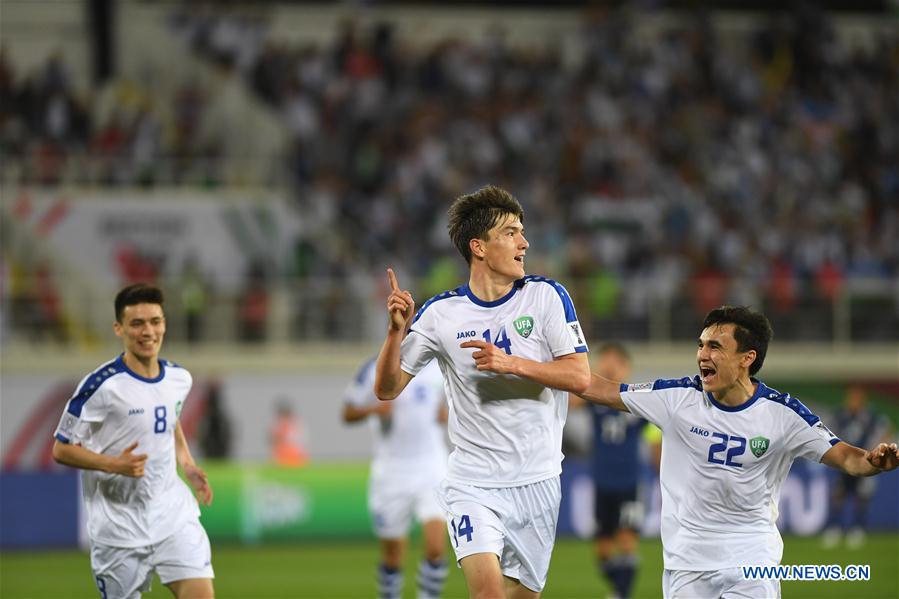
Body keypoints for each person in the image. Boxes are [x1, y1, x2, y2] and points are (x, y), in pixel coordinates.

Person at [549, 304, 898, 598]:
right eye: (701, 345)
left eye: (715, 346)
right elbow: (596, 388)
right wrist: (536, 363)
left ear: (747, 358)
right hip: (687, 565)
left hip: (752, 560)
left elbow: (845, 456)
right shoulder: (676, 398)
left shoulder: (783, 414)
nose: (703, 354)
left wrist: (873, 461)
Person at [374, 185, 591, 599]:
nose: (524, 243)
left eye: (522, 232)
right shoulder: (441, 314)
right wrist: (394, 333)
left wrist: (512, 363)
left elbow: (579, 376)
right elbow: (386, 388)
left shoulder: (546, 297)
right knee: (488, 594)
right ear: (479, 247)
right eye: (511, 233)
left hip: (539, 479)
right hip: (472, 482)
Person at [51, 283, 214, 599]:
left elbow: (170, 417)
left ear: (165, 324)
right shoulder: (101, 386)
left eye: (155, 321)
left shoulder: (179, 379)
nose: (148, 331)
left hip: (172, 515)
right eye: (137, 323)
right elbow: (61, 449)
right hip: (118, 528)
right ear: (119, 328)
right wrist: (114, 464)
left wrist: (187, 463)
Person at [343, 358, 450, 599]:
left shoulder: (437, 365)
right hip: (391, 472)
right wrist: (373, 410)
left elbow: (457, 400)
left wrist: (448, 414)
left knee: (435, 547)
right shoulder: (374, 368)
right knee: (392, 557)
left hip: (431, 468)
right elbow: (347, 412)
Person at [568, 342, 660, 599]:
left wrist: (659, 463)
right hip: (602, 482)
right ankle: (620, 589)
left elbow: (655, 433)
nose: (608, 367)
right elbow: (570, 401)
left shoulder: (639, 400)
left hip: (629, 483)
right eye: (604, 361)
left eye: (614, 362)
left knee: (627, 540)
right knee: (603, 550)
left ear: (626, 367)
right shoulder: (594, 398)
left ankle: (620, 594)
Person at [821, 383, 893, 549]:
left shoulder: (871, 416)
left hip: (865, 460)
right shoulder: (841, 415)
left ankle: (857, 528)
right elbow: (826, 430)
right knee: (839, 494)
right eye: (851, 397)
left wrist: (877, 449)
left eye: (857, 397)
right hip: (844, 460)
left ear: (862, 399)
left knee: (862, 496)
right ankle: (835, 527)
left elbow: (886, 430)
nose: (853, 400)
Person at [270, 401, 309, 467]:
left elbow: (302, 443)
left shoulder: (298, 424)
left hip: (296, 460)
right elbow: (272, 441)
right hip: (280, 460)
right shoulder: (276, 426)